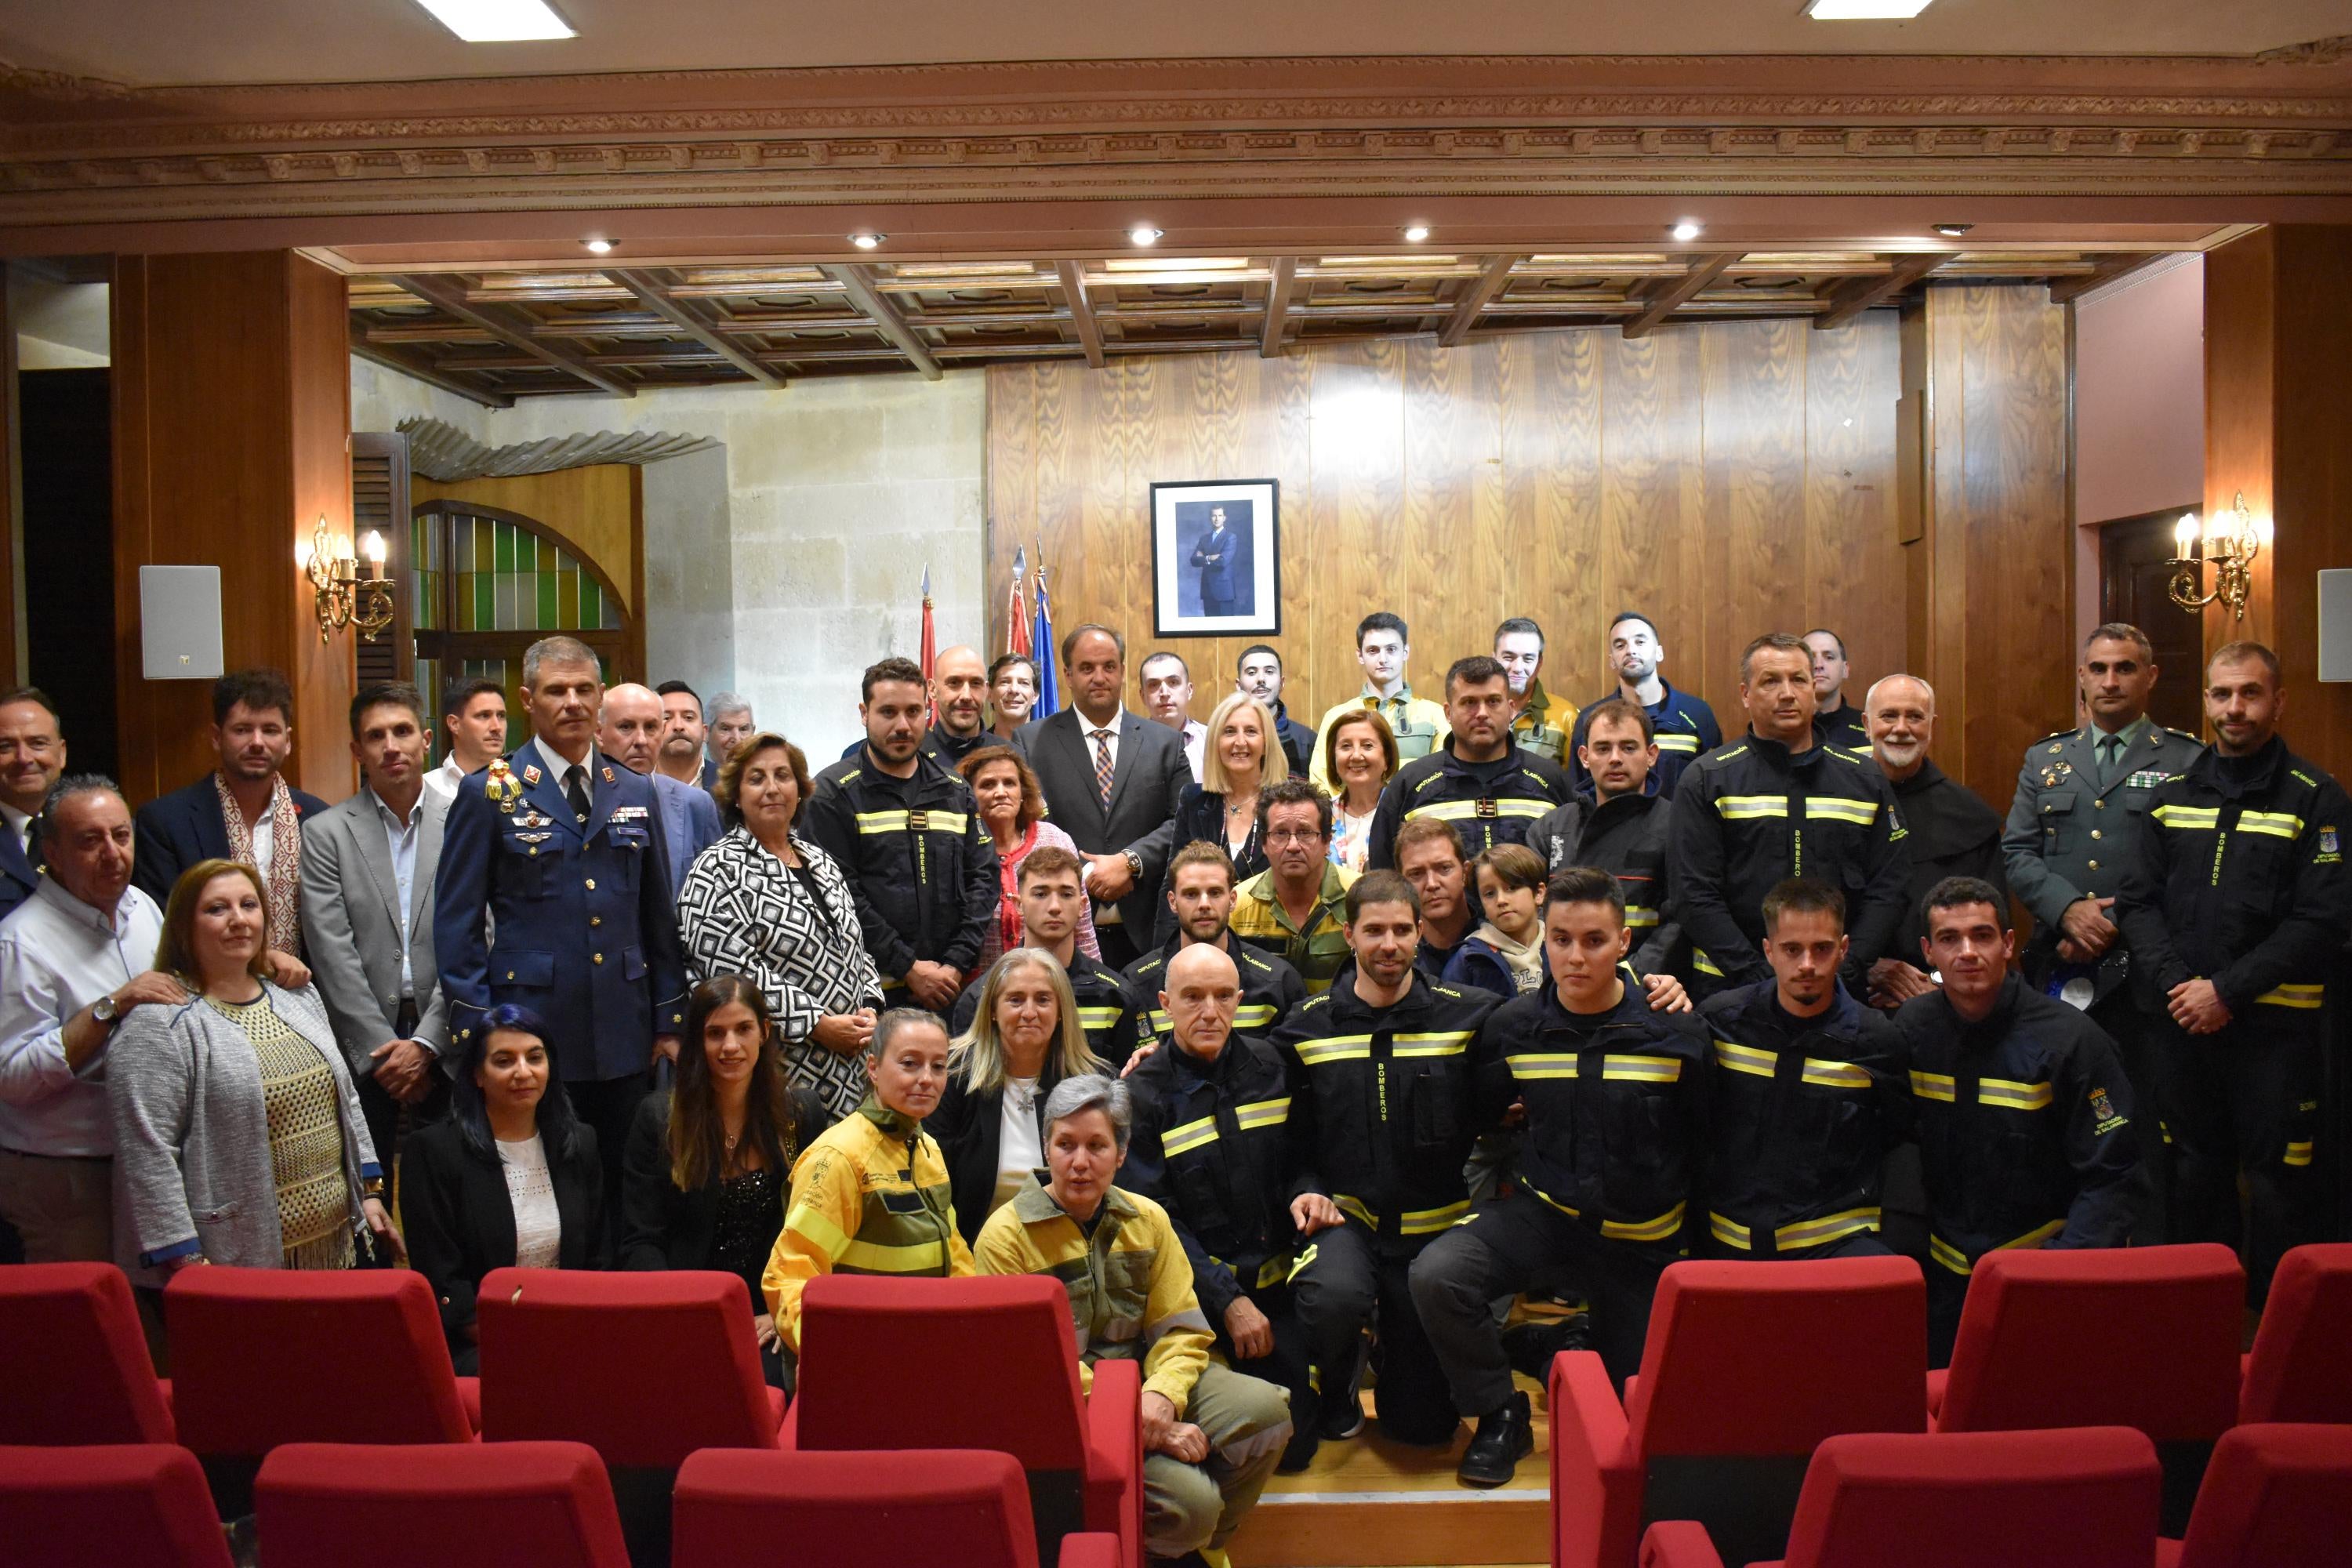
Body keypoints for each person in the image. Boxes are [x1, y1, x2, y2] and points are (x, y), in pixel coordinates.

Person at [1410, 866, 1709, 1485]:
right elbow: (1488, 1110)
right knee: (1438, 1275)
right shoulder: (1512, 1027)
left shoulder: (1677, 1030)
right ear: (1546, 938)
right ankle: (1500, 1412)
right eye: (1563, 940)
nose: (1576, 956)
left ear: (1624, 943)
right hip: (1545, 1218)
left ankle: (1561, 1348)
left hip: (1639, 1239)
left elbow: (1706, 1140)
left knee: (1636, 1422)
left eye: (1595, 941)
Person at [975, 1074, 1293, 1563]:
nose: (1080, 1163)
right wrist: (1140, 1422)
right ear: (1046, 1148)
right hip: (1068, 1412)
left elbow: (1182, 1327)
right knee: (1195, 1505)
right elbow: (1029, 1371)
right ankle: (1173, 1537)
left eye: (1097, 1146)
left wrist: (1163, 1396)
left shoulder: (1148, 1219)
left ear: (1121, 1154)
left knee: (1268, 1416)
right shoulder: (1004, 1238)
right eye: (1065, 1145)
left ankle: (1189, 1548)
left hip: (1149, 1384)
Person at [2116, 641, 2350, 1297]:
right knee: (2192, 1178)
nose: (2234, 708)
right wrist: (2178, 988)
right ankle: (2201, 1330)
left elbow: (2323, 922)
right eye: (2222, 694)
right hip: (2183, 1028)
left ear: (2278, 701)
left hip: (2275, 1035)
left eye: (2249, 693)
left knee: (2281, 1187)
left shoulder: (2317, 799)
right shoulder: (2171, 794)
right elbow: (2138, 902)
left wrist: (2226, 991)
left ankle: (2278, 1346)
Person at [434, 634, 688, 1237]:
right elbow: (457, 922)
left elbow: (657, 915)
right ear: (528, 700)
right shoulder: (490, 791)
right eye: (556, 691)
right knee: (551, 1191)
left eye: (583, 690)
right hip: (534, 1028)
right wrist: (482, 1029)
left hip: (625, 1028)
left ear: (600, 697)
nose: (572, 702)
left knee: (628, 1184)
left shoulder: (634, 789)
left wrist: (668, 1020)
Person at [1275, 871, 1502, 1449]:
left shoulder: (1472, 1017)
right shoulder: (1305, 1026)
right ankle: (1341, 1371)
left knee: (1423, 1429)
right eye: (1374, 930)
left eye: (1402, 930)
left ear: (1421, 932)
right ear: (1348, 934)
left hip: (1431, 1233)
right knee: (1332, 1297)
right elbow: (1288, 1138)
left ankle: (1393, 1347)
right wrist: (1305, 1186)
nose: (1389, 944)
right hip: (1344, 1223)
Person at [2000, 622, 2199, 1238]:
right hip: (2057, 962)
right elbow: (2018, 851)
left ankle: (2146, 1247)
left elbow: (2190, 867)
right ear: (2082, 677)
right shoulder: (2047, 759)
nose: (2110, 681)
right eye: (2099, 669)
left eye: (2125, 668)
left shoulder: (2187, 759)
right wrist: (2066, 910)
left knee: (2144, 1113)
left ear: (2150, 677)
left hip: (2143, 972)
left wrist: (2108, 920)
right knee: (2055, 1103)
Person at [111, 860, 398, 1283]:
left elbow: (347, 1099)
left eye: (249, 905)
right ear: (183, 925)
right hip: (232, 1261)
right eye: (217, 909)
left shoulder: (298, 996)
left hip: (335, 1242)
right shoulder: (160, 1023)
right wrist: (186, 1261)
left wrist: (369, 1192)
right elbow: (147, 1153)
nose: (238, 920)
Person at [1896, 877, 2141, 1364]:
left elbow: (2116, 1177)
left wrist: (2058, 1273)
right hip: (1942, 1284)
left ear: (2008, 944)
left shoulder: (2072, 1041)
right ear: (1928, 951)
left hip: (2044, 1278)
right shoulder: (1910, 1031)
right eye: (1949, 939)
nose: (1967, 952)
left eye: (1983, 936)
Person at [1123, 944, 1318, 1472]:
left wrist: (1309, 1188)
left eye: (1222, 996)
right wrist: (1228, 1302)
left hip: (1276, 1291)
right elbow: (1158, 1222)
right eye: (1192, 997)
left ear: (1239, 998)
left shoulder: (1274, 1064)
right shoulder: (1141, 1096)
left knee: (1295, 1450)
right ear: (1165, 1003)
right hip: (1194, 1302)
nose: (1209, 1011)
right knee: (1221, 1451)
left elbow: (1305, 1156)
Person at [1670, 633, 1907, 998]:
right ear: (1745, 694)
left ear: (1814, 688)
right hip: (1730, 992)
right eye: (1770, 681)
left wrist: (1848, 968)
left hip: (1839, 989)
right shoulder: (1707, 779)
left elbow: (1889, 888)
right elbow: (1693, 895)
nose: (1787, 692)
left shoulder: (1864, 779)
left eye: (1798, 679)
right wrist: (1759, 980)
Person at [0, 776, 177, 1261]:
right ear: (52, 854)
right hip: (65, 1172)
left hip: (140, 1160)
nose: (112, 853)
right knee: (83, 1323)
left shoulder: (142, 908)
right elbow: (12, 1078)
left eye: (121, 836)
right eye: (90, 841)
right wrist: (111, 1007)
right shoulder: (20, 943)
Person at [620, 975, 828, 1387]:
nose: (730, 1046)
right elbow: (640, 1241)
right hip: (684, 1312)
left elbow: (819, 1233)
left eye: (743, 1029)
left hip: (771, 1316)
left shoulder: (801, 1114)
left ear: (765, 1033)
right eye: (715, 1033)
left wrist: (783, 1309)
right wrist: (682, 1315)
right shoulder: (659, 1120)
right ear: (698, 1042)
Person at [678, 731, 883, 1121]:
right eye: (757, 779)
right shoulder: (715, 870)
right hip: (778, 1069)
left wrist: (870, 1008)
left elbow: (855, 948)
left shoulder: (819, 860)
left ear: (800, 789)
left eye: (783, 776)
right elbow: (732, 974)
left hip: (852, 1067)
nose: (772, 789)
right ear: (736, 795)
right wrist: (817, 1024)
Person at [1699, 879, 1906, 1261]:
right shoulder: (1720, 1022)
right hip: (1728, 1249)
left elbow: (1895, 1138)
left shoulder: (1879, 1041)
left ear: (1843, 950)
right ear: (1769, 951)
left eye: (1822, 949)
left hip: (1835, 1251)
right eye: (1792, 949)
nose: (1807, 964)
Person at [299, 683, 454, 1185]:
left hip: (449, 1033)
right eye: (376, 736)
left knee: (450, 1184)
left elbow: (480, 938)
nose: (391, 746)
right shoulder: (325, 833)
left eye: (403, 731)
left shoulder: (466, 823)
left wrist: (428, 1043)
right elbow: (331, 952)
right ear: (357, 750)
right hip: (364, 1046)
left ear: (426, 740)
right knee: (366, 1189)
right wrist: (384, 1053)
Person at [400, 1005, 602, 1370]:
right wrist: (523, 1346)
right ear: (478, 1074)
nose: (523, 1072)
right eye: (504, 1061)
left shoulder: (579, 1143)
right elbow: (443, 1278)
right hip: (480, 1345)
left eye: (535, 1058)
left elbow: (598, 1258)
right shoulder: (433, 1151)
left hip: (572, 1332)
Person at [760, 1008, 975, 1353]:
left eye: (938, 1066)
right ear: (873, 1068)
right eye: (910, 1063)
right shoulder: (839, 1156)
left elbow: (956, 1256)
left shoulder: (928, 1148)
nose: (927, 1078)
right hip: (861, 1357)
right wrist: (829, 1355)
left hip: (926, 1346)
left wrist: (972, 1324)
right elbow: (789, 1277)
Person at [804, 656, 998, 1016]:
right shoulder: (832, 794)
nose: (903, 725)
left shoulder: (955, 790)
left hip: (952, 989)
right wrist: (908, 967)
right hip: (869, 995)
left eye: (913, 712)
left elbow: (984, 881)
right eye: (888, 712)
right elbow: (838, 895)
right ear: (864, 712)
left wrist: (955, 963)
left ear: (928, 710)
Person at [1012, 625, 1191, 969]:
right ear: (1067, 674)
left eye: (1109, 666)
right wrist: (1088, 872)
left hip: (1147, 932)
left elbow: (1181, 822)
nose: (1099, 677)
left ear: (1123, 670)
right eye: (1086, 668)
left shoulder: (1164, 743)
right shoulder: (1032, 742)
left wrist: (1130, 861)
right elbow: (1028, 829)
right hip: (1062, 932)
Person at [131, 669, 329, 955]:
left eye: (270, 730)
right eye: (243, 730)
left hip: (303, 990)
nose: (257, 742)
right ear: (216, 736)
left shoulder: (318, 818)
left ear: (287, 741)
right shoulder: (165, 822)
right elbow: (167, 927)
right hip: (204, 991)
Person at [931, 947, 1108, 1245]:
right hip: (970, 1253)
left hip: (1067, 1252)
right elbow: (933, 1188)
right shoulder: (952, 1078)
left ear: (1061, 1010)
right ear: (992, 1010)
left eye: (1043, 1000)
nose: (1029, 1013)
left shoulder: (1093, 1085)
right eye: (1015, 1000)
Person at [1866, 674, 2006, 1008]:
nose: (1901, 728)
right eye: (1888, 716)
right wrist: (1863, 969)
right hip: (1848, 993)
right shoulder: (1835, 804)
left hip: (1945, 998)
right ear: (1867, 725)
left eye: (1915, 717)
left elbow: (1991, 928)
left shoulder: (1970, 816)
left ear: (1932, 724)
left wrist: (1937, 982)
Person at [1368, 655, 1574, 873]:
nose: (1482, 713)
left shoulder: (1551, 780)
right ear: (1448, 713)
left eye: (1493, 701)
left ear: (1511, 709)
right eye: (1469, 703)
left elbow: (1575, 869)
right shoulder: (1410, 784)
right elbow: (1384, 877)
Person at [950, 849, 1152, 1067]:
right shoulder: (982, 998)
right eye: (1040, 894)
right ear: (1019, 905)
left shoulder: (1117, 997)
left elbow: (1138, 1085)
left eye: (1066, 894)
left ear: (1082, 906)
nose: (1055, 907)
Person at [1527, 699, 1683, 980]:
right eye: (1603, 748)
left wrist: (1630, 978)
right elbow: (1530, 914)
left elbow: (1680, 918)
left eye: (1628, 747)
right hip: (1562, 982)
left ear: (1652, 755)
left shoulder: (1677, 826)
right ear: (1585, 757)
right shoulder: (1550, 829)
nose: (1615, 758)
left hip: (1645, 986)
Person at [1125, 841, 1307, 1047]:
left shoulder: (1278, 981)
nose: (1204, 904)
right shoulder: (1136, 983)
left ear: (1232, 900)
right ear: (1172, 902)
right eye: (1191, 894)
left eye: (1215, 893)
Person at [1151, 691, 1279, 944]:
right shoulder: (1194, 799)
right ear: (1215, 742)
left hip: (1270, 945)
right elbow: (1173, 882)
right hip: (1202, 944)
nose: (1240, 742)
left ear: (1266, 742)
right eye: (1229, 732)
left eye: (1251, 731)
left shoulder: (1285, 803)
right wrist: (1164, 957)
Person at [962, 745, 1101, 969]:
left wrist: (1094, 983)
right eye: (988, 785)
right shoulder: (959, 848)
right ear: (968, 794)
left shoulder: (1055, 839)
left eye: (1009, 783)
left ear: (1022, 793)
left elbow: (1082, 927)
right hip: (980, 991)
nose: (1000, 792)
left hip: (1053, 984)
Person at [1566, 612, 1721, 800]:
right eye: (1620, 645)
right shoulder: (1591, 719)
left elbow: (1714, 784)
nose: (1630, 650)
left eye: (1640, 642)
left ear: (1659, 652)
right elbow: (1579, 794)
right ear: (1612, 660)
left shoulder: (1697, 714)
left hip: (1680, 828)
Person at [1229, 779, 1356, 994]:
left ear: (1327, 842)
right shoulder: (1238, 905)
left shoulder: (1359, 897)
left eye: (1306, 833)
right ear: (1263, 843)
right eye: (1280, 833)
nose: (1293, 846)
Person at [600, 681, 723, 900]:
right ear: (599, 733)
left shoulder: (695, 803)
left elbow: (714, 896)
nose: (641, 740)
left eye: (651, 727)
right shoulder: (583, 799)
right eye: (626, 727)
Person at [1308, 612, 1447, 794]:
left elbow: (1444, 775)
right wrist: (1345, 818)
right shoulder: (1338, 716)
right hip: (1352, 818)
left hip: (1416, 818)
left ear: (1405, 652)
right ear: (1360, 655)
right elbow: (1322, 780)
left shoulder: (1435, 714)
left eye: (1391, 649)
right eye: (1373, 650)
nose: (1383, 659)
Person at [1444, 843, 1549, 996]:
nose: (1501, 900)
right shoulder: (1469, 959)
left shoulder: (1562, 944)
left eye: (1512, 888)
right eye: (1489, 894)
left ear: (1539, 893)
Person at [0, 688, 69, 921]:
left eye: (37, 743)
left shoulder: (93, 832)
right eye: (5, 747)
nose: (23, 758)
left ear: (61, 754)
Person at [1394, 818, 1474, 980]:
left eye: (1444, 868)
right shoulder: (1395, 959)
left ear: (1465, 873)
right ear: (1402, 883)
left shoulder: (1503, 942)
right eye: (1416, 874)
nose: (1431, 884)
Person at [1494, 617, 1577, 764]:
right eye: (1508, 657)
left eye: (1528, 659)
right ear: (1494, 659)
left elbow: (1574, 783)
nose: (1518, 668)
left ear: (1539, 663)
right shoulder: (1476, 712)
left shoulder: (1567, 716)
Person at [423, 678, 509, 808]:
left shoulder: (521, 785)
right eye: (484, 716)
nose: (497, 727)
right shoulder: (427, 789)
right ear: (454, 724)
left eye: (501, 716)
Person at [1236, 644, 1315, 779]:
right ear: (1238, 685)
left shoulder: (1307, 740)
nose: (1261, 679)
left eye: (1269, 672)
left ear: (1282, 683)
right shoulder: (1227, 739)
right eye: (1251, 672)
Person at [1140, 652, 1208, 782]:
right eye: (1154, 685)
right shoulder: (1129, 746)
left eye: (1173, 682)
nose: (1165, 693)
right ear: (1143, 696)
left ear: (1189, 690)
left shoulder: (1212, 741)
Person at [1803, 629, 1871, 758]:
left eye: (1829, 657)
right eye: (1810, 658)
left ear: (1845, 669)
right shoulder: (1784, 726)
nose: (1818, 665)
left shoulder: (1868, 727)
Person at [655, 679, 719, 790]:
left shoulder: (730, 784)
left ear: (705, 732)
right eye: (667, 718)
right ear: (652, 732)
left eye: (688, 718)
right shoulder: (635, 784)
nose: (678, 726)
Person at [1191, 503, 1253, 618]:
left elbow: (1223, 561)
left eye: (1220, 515)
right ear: (1210, 518)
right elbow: (1193, 561)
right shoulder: (1204, 539)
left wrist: (1203, 558)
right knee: (1209, 630)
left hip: (1224, 591)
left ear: (1225, 518)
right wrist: (1210, 558)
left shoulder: (1230, 537)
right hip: (1207, 590)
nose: (1217, 518)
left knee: (1226, 631)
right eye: (1214, 516)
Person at [986, 655, 1038, 742]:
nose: (1014, 690)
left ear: (1035, 696)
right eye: (1005, 682)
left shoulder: (1055, 750)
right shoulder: (973, 751)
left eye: (1024, 683)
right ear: (990, 693)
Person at [706, 692, 756, 774]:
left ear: (753, 733)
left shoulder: (761, 776)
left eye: (743, 729)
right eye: (726, 729)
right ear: (706, 732)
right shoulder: (692, 775)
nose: (737, 739)